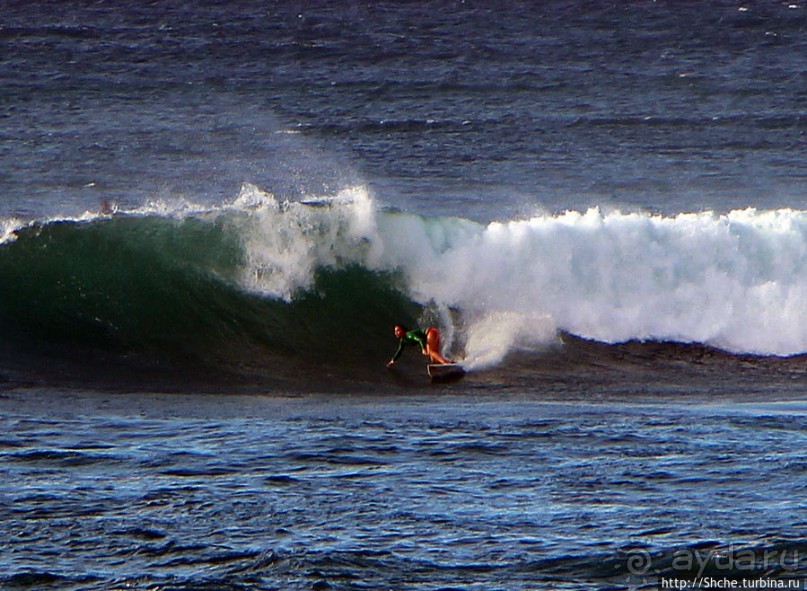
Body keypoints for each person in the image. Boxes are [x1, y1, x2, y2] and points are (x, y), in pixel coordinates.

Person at [387, 324, 452, 367]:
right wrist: (393, 360)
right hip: (431, 333)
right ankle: (448, 364)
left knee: (430, 352)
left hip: (430, 332)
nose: (396, 333)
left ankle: (445, 363)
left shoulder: (408, 335)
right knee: (434, 359)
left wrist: (423, 349)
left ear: (403, 330)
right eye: (395, 331)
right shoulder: (403, 340)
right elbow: (400, 350)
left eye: (398, 330)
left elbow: (420, 340)